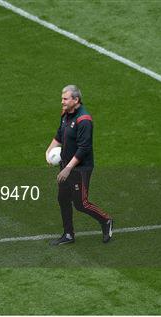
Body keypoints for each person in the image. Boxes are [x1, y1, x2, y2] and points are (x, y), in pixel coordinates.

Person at [45, 85, 113, 245]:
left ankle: (106, 220)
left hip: (80, 169)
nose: (62, 101)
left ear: (76, 100)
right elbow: (59, 135)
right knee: (63, 199)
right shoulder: (66, 115)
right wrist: (48, 151)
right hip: (66, 165)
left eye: (65, 99)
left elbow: (84, 148)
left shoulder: (84, 120)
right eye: (62, 98)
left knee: (81, 203)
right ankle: (68, 234)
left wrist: (68, 169)